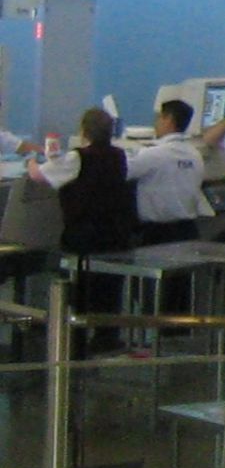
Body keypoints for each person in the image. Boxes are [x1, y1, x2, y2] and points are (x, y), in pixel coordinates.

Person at [27, 108, 135, 353]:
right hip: (114, 234)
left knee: (79, 292)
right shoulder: (119, 155)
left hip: (84, 236)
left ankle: (73, 344)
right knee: (108, 290)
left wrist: (32, 161)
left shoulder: (77, 158)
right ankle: (106, 338)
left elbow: (39, 176)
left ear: (84, 131)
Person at [127, 98, 204, 245]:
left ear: (168, 119)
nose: (155, 123)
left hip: (159, 234)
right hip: (188, 230)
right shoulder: (195, 155)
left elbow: (122, 172)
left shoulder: (153, 154)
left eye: (158, 118)